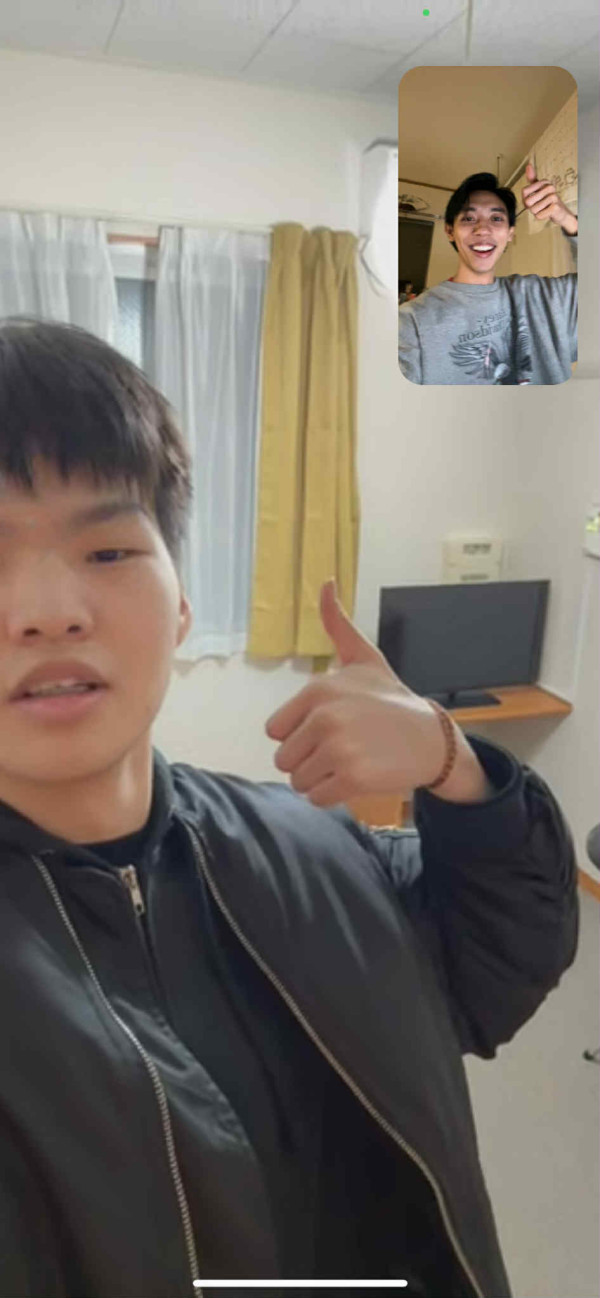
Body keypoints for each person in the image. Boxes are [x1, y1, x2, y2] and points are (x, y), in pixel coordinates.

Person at [0, 317, 578, 1298]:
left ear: (182, 607)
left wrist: (451, 762)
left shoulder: (317, 846)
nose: (50, 609)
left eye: (107, 551)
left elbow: (498, 962)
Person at [398, 167, 577, 385]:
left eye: (496, 218)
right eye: (469, 218)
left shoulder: (545, 297)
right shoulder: (411, 321)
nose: (483, 229)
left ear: (510, 233)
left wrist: (568, 220)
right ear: (450, 231)